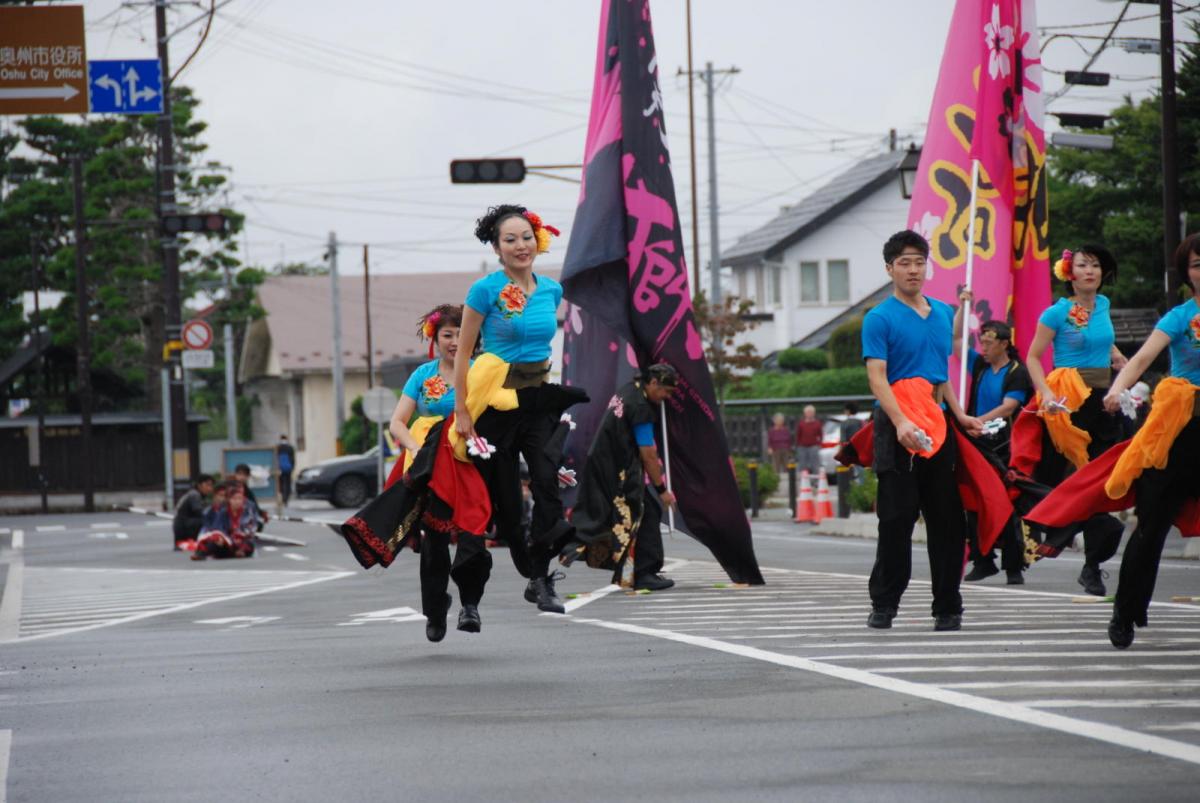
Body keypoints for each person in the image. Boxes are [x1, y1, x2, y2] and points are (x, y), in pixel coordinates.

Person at [1035, 235, 1200, 649]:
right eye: (1197, 264)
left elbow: (1114, 349)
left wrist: (1115, 372)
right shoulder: (1179, 318)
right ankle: (1126, 611)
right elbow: (1143, 358)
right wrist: (1118, 387)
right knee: (1151, 526)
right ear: (1186, 273)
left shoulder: (1103, 307)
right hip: (1175, 435)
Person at [454, 204, 588, 615]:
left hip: (537, 398)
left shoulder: (551, 290)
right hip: (496, 402)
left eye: (526, 237)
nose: (520, 246)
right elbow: (462, 354)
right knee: (508, 504)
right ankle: (474, 597)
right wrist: (462, 411)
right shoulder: (485, 291)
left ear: (538, 240)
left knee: (547, 479)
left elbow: (549, 346)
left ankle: (542, 579)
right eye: (509, 239)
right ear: (497, 248)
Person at [862, 230, 982, 632]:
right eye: (904, 263)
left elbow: (940, 373)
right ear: (890, 269)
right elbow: (876, 377)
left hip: (936, 420)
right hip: (896, 422)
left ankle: (948, 606)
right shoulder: (879, 318)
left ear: (927, 266)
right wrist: (899, 423)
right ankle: (884, 604)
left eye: (918, 262)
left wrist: (960, 414)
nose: (912, 269)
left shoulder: (944, 312)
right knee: (896, 519)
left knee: (948, 519)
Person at [1018, 245, 1127, 595]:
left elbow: (1103, 343)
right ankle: (1072, 547)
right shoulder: (1057, 312)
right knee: (1082, 479)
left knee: (1105, 479)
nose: (1090, 271)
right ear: (1070, 272)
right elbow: (1033, 357)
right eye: (1083, 265)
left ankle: (1088, 560)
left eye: (1096, 265)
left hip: (1104, 399)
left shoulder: (1104, 305)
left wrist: (1120, 361)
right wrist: (1045, 394)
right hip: (1070, 402)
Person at [388, 304, 492, 642]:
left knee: (473, 537)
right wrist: (418, 451)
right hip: (432, 471)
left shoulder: (481, 372)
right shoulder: (422, 375)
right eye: (448, 334)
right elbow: (397, 423)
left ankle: (471, 605)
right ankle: (435, 610)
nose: (455, 341)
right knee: (434, 544)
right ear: (436, 337)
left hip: (470, 467)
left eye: (462, 334)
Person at [566, 363, 680, 591]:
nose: (667, 397)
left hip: (603, 463)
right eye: (666, 391)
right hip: (617, 469)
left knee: (621, 516)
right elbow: (648, 453)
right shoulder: (641, 407)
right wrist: (662, 490)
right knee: (643, 513)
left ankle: (633, 573)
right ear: (654, 383)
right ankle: (644, 573)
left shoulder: (630, 389)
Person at [952, 299, 1033, 585]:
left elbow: (1008, 407)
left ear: (1003, 343)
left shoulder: (1017, 373)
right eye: (982, 342)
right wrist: (965, 305)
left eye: (988, 342)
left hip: (1005, 447)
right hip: (978, 443)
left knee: (1006, 505)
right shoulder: (980, 367)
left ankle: (1013, 566)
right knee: (974, 503)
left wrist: (973, 420)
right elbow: (958, 338)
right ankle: (983, 560)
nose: (982, 348)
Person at [192, 482, 256, 560]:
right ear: (229, 500)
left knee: (249, 544)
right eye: (234, 499)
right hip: (227, 540)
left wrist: (240, 536)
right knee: (215, 543)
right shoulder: (223, 512)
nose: (237, 501)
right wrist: (221, 537)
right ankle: (201, 554)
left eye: (240, 499)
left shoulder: (247, 512)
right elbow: (218, 527)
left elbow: (251, 528)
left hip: (241, 540)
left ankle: (238, 552)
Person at [172, 474, 214, 548]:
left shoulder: (197, 495)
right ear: (199, 485)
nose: (209, 488)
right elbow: (200, 512)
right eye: (207, 485)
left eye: (211, 485)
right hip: (183, 528)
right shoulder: (194, 495)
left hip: (184, 525)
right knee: (206, 520)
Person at [233, 463, 267, 531]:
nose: (242, 477)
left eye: (244, 475)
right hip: (231, 518)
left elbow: (254, 507)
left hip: (244, 517)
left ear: (248, 477)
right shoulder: (230, 488)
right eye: (239, 474)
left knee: (258, 524)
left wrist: (261, 513)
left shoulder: (248, 492)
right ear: (235, 475)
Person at [794, 405, 823, 484]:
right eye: (808, 412)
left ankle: (815, 482)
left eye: (811, 412)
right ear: (805, 413)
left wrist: (819, 444)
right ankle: (804, 482)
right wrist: (798, 445)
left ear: (814, 413)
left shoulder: (817, 423)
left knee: (815, 464)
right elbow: (798, 435)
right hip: (802, 447)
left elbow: (821, 435)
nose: (809, 414)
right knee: (803, 464)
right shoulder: (801, 424)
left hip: (814, 446)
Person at [277, 435, 296, 506]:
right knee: (288, 483)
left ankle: (283, 497)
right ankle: (286, 499)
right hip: (288, 468)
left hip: (280, 469)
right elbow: (293, 459)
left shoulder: (278, 447)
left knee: (281, 483)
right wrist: (292, 467)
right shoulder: (290, 447)